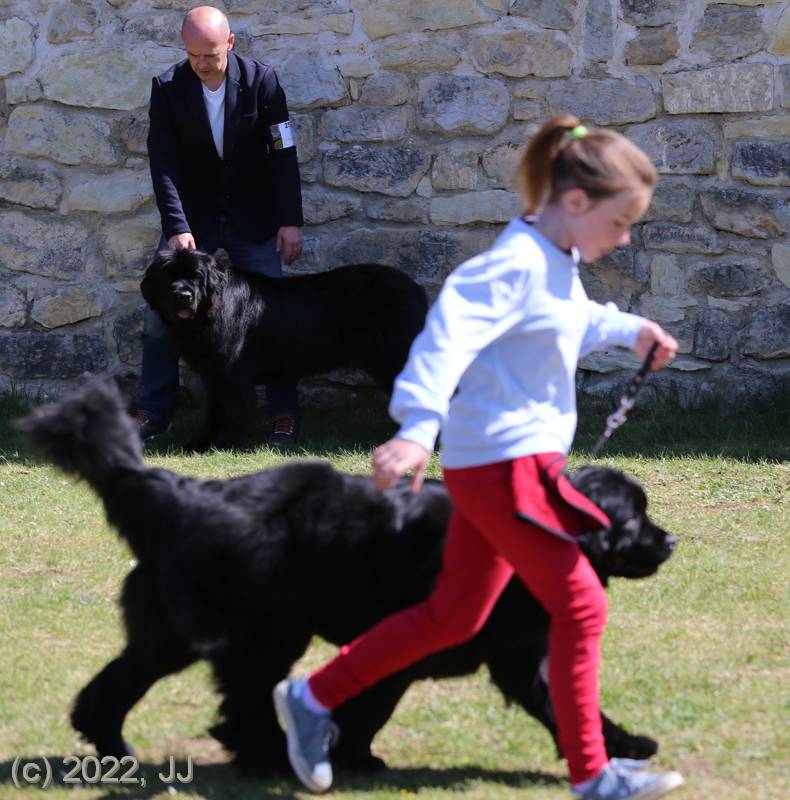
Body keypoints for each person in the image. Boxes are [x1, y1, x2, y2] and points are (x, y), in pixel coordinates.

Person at [272, 114, 685, 800]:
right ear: (575, 200)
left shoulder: (554, 259)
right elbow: (446, 336)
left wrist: (632, 329)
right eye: (620, 223)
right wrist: (416, 426)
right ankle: (592, 775)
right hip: (504, 468)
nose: (624, 238)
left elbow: (572, 322)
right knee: (581, 606)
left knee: (454, 616)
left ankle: (312, 698)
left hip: (505, 464)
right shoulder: (512, 265)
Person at [136, 6, 304, 447]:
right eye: (193, 55)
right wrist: (177, 226)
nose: (202, 64)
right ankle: (154, 413)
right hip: (193, 221)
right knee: (157, 319)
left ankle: (284, 413)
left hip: (255, 217)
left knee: (275, 318)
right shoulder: (167, 88)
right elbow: (163, 163)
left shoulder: (263, 82)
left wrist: (290, 220)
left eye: (210, 55)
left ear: (229, 43)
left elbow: (282, 153)